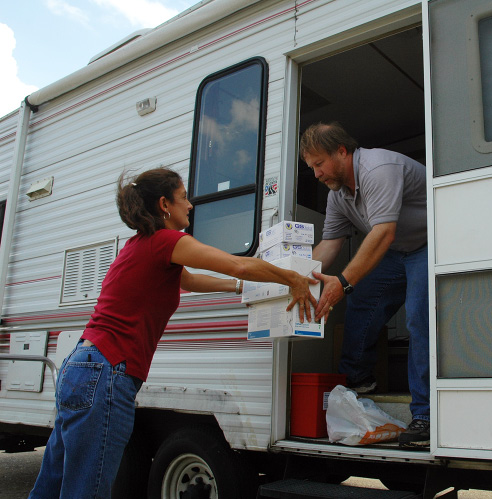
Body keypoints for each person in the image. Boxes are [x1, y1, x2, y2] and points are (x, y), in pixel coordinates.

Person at [29, 167, 318, 498]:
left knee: (51, 486)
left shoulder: (142, 246)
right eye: (184, 198)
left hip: (81, 368)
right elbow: (236, 263)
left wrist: (243, 288)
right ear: (165, 204)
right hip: (106, 372)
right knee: (86, 492)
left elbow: (191, 281)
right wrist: (291, 278)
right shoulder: (168, 241)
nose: (191, 205)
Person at [300, 122, 430, 448]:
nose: (315, 174)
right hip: (396, 252)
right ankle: (358, 382)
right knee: (361, 301)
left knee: (418, 317)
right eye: (310, 167)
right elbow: (330, 244)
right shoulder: (338, 195)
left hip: (430, 244)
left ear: (342, 152)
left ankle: (425, 416)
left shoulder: (378, 169)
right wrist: (296, 278)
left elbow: (382, 232)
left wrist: (341, 282)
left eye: (319, 164)